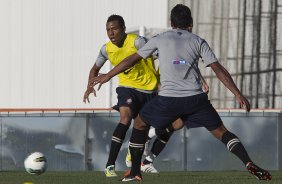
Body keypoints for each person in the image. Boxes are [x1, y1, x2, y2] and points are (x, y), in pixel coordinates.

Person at [91, 4, 272, 182]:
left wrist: (107, 75)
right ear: (190, 23)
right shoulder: (198, 41)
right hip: (196, 99)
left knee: (139, 123)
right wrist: (237, 93)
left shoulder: (160, 39)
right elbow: (219, 70)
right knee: (222, 132)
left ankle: (135, 171)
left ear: (171, 22)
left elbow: (131, 60)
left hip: (168, 99)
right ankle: (248, 162)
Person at [83, 14, 195, 177]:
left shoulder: (138, 42)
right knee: (125, 118)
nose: (111, 33)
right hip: (127, 88)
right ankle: (109, 166)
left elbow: (164, 56)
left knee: (178, 123)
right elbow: (94, 69)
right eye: (108, 30)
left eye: (114, 29)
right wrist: (89, 86)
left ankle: (146, 158)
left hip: (149, 91)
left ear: (123, 29)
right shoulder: (106, 49)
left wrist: (183, 65)